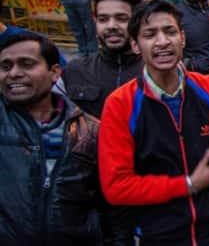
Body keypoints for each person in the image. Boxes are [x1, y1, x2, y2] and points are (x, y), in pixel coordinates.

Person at [98, 0, 209, 245]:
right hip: (162, 236)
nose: (162, 42)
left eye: (170, 32)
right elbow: (116, 186)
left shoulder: (208, 89)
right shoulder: (121, 104)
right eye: (150, 35)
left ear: (182, 38)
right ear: (135, 45)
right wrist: (187, 185)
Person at [0, 32, 129, 245]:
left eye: (27, 64)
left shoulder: (90, 132)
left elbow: (114, 208)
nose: (14, 73)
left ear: (54, 72)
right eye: (6, 66)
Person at [63, 0, 143, 118]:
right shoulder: (75, 70)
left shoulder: (156, 72)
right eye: (103, 19)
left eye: (122, 18)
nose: (111, 26)